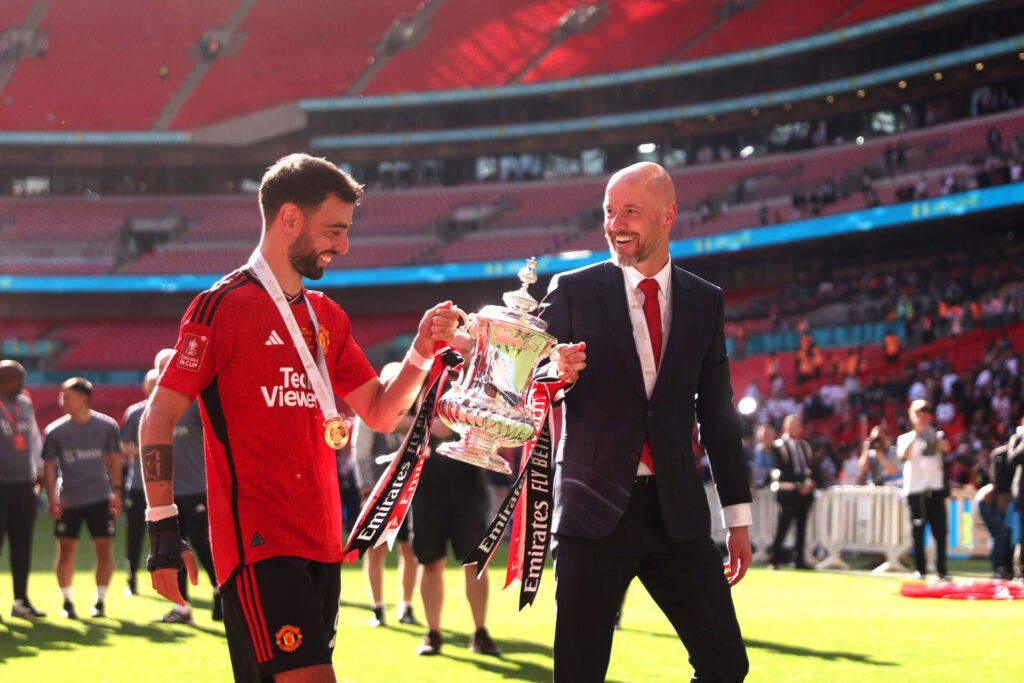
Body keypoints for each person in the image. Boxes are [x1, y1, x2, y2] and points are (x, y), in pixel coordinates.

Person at [139, 153, 461, 683]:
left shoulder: (327, 315)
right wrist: (162, 532)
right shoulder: (219, 307)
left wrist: (422, 353)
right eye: (334, 230)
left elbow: (380, 412)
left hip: (321, 542)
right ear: (289, 219)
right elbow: (158, 416)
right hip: (259, 546)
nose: (344, 246)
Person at [537, 161, 751, 683]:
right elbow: (526, 377)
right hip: (592, 512)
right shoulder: (572, 289)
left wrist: (737, 517)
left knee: (726, 664)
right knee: (578, 675)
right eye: (610, 212)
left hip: (675, 515)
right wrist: (553, 374)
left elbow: (718, 415)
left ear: (667, 215)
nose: (616, 223)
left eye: (630, 211)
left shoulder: (705, 300)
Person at [409, 406, 499, 658]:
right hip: (427, 484)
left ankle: (480, 632)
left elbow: (497, 422)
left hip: (469, 483)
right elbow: (391, 417)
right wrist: (425, 424)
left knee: (475, 562)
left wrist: (469, 427)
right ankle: (433, 632)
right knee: (430, 562)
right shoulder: (421, 373)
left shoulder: (479, 375)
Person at [42, 377, 123, 619]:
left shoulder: (107, 426)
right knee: (66, 550)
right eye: (61, 395)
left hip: (100, 497)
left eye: (67, 396)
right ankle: (67, 601)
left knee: (104, 549)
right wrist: (51, 498)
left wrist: (116, 492)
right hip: (69, 499)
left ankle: (99, 602)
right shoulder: (55, 431)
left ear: (83, 398)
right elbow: (48, 466)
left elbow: (115, 460)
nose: (62, 400)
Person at [151, 348, 220, 625]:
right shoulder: (155, 407)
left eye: (171, 365)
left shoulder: (195, 403)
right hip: (169, 493)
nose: (167, 371)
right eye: (162, 367)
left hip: (196, 489)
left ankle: (221, 595)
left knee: (205, 548)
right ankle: (181, 608)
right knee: (173, 548)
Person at [350, 361, 420, 629]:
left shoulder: (415, 409)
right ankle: (378, 607)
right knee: (375, 549)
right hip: (380, 488)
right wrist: (366, 491)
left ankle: (406, 605)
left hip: (410, 489)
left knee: (409, 549)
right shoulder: (371, 409)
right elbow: (361, 454)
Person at [0, 359, 46, 619]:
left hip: (23, 486)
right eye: (20, 379)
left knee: (22, 546)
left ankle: (21, 601)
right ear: (5, 379)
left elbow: (34, 439)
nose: (23, 385)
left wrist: (38, 472)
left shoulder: (25, 404)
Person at [896, 399, 951, 581]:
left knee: (940, 531)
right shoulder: (905, 438)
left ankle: (941, 570)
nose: (922, 419)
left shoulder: (937, 435)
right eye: (918, 415)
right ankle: (920, 569)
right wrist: (916, 434)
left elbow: (946, 449)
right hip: (915, 490)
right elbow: (902, 454)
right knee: (918, 531)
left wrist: (931, 434)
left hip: (934, 489)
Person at [120, 368, 158, 597]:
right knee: (134, 536)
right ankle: (131, 578)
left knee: (169, 536)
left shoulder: (175, 409)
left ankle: (172, 581)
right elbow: (124, 445)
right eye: (152, 382)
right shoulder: (134, 413)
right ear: (145, 386)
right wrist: (151, 453)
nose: (156, 386)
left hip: (170, 485)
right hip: (138, 485)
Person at [768, 415, 817, 570]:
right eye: (792, 425)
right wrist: (798, 484)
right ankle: (775, 558)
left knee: (801, 527)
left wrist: (809, 484)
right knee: (783, 525)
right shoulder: (779, 446)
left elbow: (810, 468)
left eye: (798, 425)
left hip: (804, 492)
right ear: (785, 427)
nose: (795, 428)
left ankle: (799, 559)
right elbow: (782, 468)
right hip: (787, 491)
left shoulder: (805, 446)